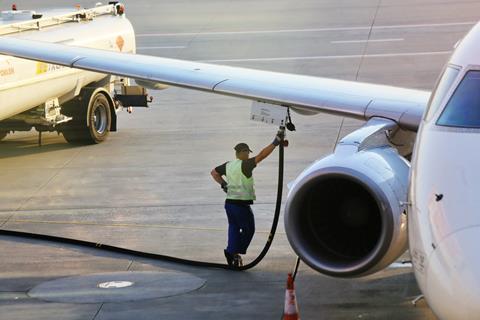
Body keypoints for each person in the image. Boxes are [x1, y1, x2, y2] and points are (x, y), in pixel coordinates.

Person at [211, 130, 285, 267]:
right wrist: (275, 143)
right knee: (249, 229)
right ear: (243, 152)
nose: (248, 155)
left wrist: (223, 184)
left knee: (233, 227)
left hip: (229, 204)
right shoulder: (246, 165)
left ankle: (231, 252)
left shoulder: (228, 165)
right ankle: (234, 250)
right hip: (241, 205)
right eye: (247, 152)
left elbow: (214, 173)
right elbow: (262, 155)